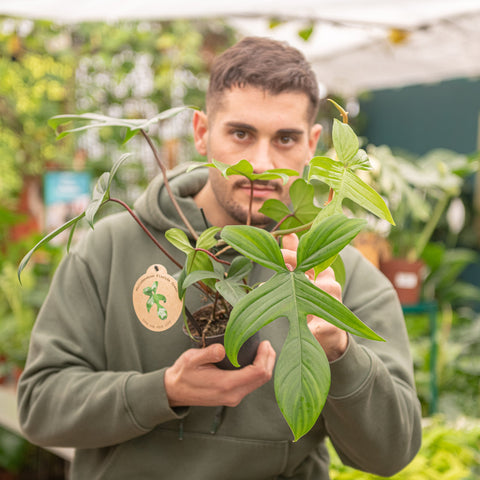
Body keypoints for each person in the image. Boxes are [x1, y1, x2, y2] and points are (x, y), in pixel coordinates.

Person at [17, 36, 422, 479]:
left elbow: (392, 453)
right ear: (202, 132)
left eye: (285, 138)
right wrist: (164, 390)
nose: (262, 164)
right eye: (241, 133)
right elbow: (40, 406)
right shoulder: (110, 247)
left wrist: (341, 352)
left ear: (312, 143)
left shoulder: (340, 278)